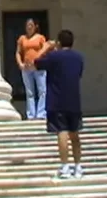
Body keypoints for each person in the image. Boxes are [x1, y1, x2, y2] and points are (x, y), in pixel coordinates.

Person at [36, 28, 88, 178]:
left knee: (62, 133)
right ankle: (78, 166)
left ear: (58, 42)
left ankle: (65, 166)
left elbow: (35, 62)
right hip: (74, 101)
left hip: (57, 101)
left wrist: (45, 48)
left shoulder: (54, 57)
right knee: (75, 134)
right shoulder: (79, 58)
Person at [16, 18, 50, 121]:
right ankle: (31, 114)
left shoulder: (40, 38)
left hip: (38, 67)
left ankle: (41, 113)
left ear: (35, 26)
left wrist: (37, 60)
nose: (29, 27)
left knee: (42, 90)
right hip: (26, 68)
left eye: (31, 25)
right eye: (27, 25)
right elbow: (18, 52)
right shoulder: (22, 39)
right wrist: (20, 64)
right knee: (29, 92)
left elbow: (45, 49)